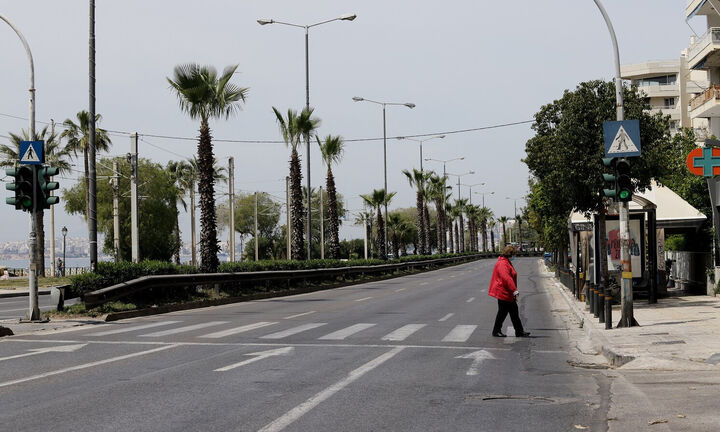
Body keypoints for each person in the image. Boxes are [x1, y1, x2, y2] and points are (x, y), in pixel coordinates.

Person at [488, 245, 530, 337]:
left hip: (507, 292)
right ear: (510, 254)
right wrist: (514, 290)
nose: (515, 256)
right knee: (503, 313)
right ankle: (497, 331)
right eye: (514, 254)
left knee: (513, 312)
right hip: (504, 292)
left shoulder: (506, 262)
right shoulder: (503, 264)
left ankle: (519, 331)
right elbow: (506, 278)